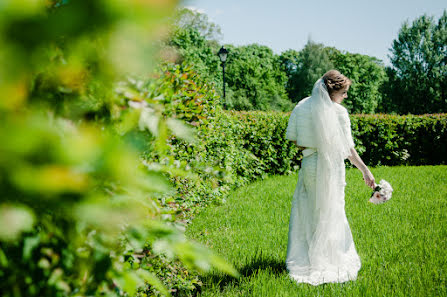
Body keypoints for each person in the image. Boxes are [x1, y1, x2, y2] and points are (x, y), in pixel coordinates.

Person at [285, 70, 375, 286]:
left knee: (310, 210)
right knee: (332, 209)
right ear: (333, 92)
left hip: (310, 165)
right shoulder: (340, 113)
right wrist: (365, 170)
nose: (345, 97)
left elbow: (296, 141)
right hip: (332, 167)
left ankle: (308, 258)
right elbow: (349, 150)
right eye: (343, 92)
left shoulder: (301, 106)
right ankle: (330, 257)